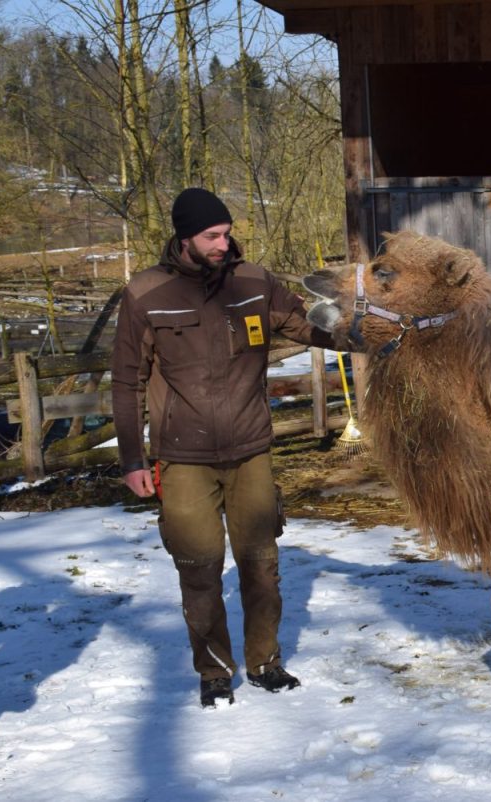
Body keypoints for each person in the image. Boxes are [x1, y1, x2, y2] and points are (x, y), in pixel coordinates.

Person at [111, 188, 336, 707]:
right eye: (212, 235)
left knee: (261, 561)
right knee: (199, 566)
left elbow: (310, 326)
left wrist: (367, 333)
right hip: (183, 457)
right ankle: (214, 673)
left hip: (250, 448)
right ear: (184, 237)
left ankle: (265, 662)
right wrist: (131, 459)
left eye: (227, 232)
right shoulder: (147, 292)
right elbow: (126, 382)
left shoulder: (254, 281)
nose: (223, 242)